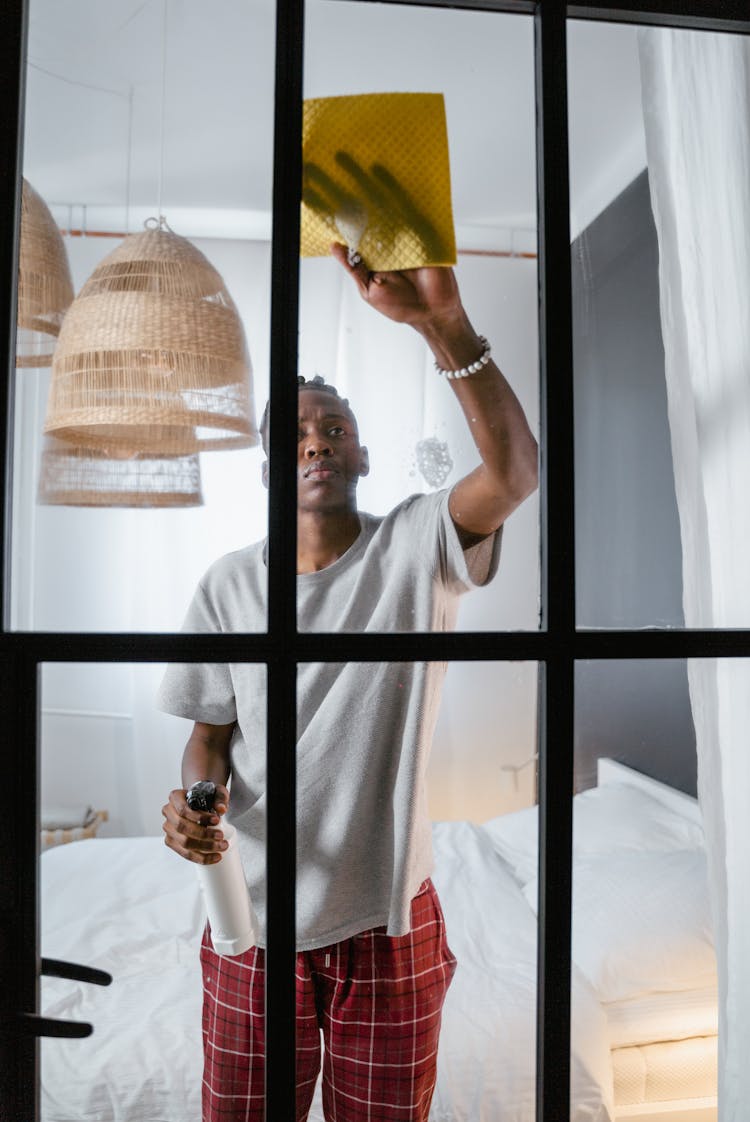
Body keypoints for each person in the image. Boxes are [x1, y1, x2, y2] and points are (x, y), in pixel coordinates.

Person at [159, 242, 538, 1122]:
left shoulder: (415, 546)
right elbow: (208, 739)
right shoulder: (228, 585)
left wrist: (443, 324)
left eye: (333, 428)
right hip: (249, 917)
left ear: (363, 456)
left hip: (389, 918)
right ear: (267, 474)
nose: (316, 442)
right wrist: (196, 800)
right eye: (293, 435)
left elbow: (515, 472)